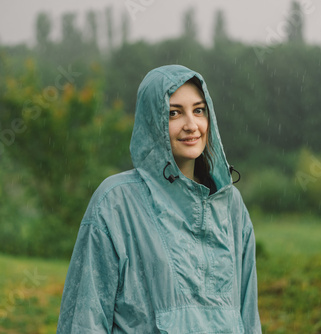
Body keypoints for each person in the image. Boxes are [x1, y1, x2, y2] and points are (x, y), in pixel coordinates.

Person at [57, 65, 261, 333]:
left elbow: (247, 316)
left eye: (198, 110)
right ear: (151, 120)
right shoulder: (116, 202)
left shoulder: (230, 204)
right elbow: (85, 319)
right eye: (173, 113)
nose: (191, 125)